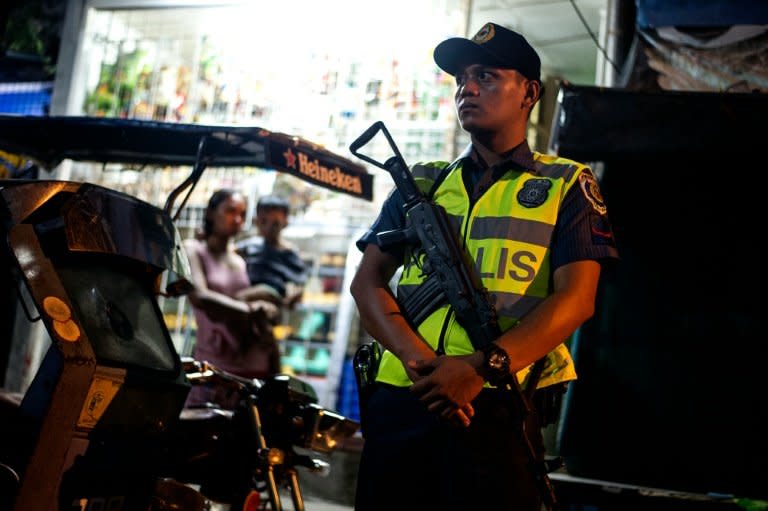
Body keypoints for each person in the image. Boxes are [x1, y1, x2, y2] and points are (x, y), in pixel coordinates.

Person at [350, 22, 619, 511]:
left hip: (497, 402)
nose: (467, 89)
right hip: (405, 397)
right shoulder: (424, 182)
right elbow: (367, 283)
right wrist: (425, 369)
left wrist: (478, 369)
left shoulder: (566, 183)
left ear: (530, 93)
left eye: (487, 77)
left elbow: (576, 300)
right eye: (461, 79)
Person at [183, 189, 281, 407]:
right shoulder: (194, 249)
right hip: (214, 365)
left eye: (242, 214)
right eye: (230, 211)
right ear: (210, 213)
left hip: (253, 364)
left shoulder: (240, 260)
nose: (237, 219)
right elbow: (200, 296)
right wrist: (253, 308)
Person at [236, 194, 308, 310]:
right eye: (264, 221)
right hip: (248, 301)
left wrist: (294, 295)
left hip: (273, 298)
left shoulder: (289, 253)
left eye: (275, 224)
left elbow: (298, 284)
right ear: (256, 220)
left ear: (285, 223)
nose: (268, 228)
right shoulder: (249, 246)